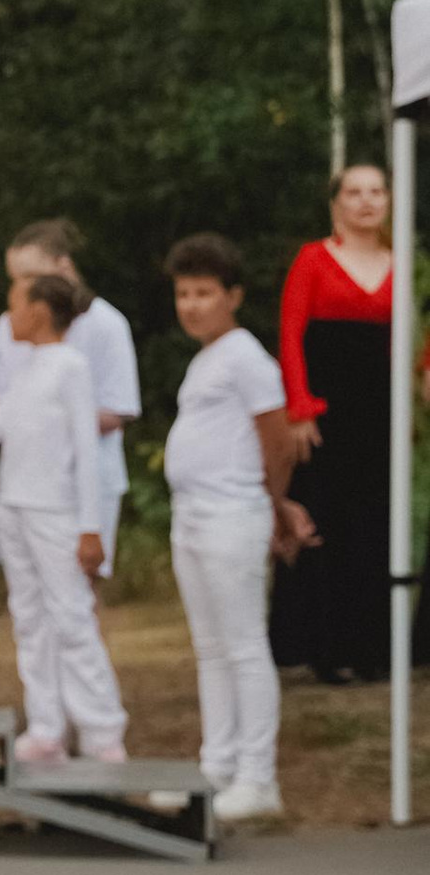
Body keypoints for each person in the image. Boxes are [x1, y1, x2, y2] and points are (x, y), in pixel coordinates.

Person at [0, 269, 126, 767]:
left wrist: (90, 527)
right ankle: (46, 727)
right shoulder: (26, 371)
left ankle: (102, 731)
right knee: (30, 620)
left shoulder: (70, 368)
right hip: (13, 510)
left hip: (55, 513)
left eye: (14, 303)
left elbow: (85, 449)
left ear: (38, 311)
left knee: (71, 617)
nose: (7, 314)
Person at [270, 163, 427, 682]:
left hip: (377, 409)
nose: (366, 201)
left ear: (389, 200)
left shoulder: (399, 263)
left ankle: (372, 648)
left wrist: (406, 405)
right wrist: (298, 407)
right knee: (325, 518)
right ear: (337, 203)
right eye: (355, 192)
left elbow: (403, 345)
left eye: (376, 191)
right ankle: (323, 648)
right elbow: (290, 334)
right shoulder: (313, 259)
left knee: (374, 520)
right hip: (323, 410)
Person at [162, 235, 294, 820]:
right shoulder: (206, 356)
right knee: (210, 648)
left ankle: (258, 777)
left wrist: (278, 504)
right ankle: (217, 764)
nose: (192, 305)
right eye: (184, 294)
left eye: (204, 294)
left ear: (232, 296)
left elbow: (278, 437)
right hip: (192, 516)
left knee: (242, 646)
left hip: (231, 514)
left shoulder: (245, 356)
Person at [0, 220, 138, 580]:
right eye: (15, 279)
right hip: (28, 482)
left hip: (89, 480)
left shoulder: (106, 323)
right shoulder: (8, 327)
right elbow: (3, 404)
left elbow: (119, 409)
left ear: (63, 266)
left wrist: (54, 417)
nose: (21, 289)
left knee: (81, 592)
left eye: (30, 277)